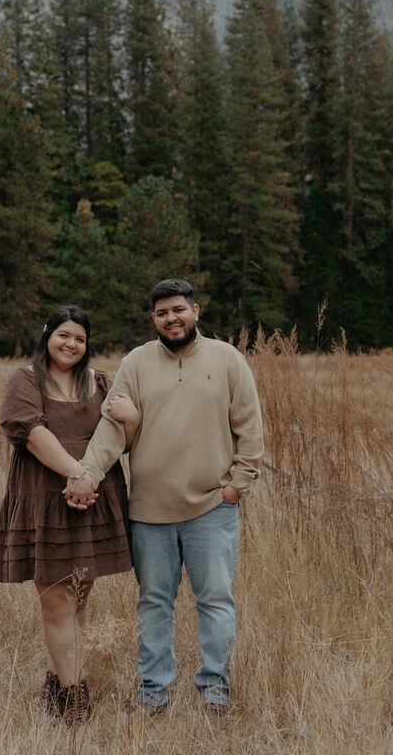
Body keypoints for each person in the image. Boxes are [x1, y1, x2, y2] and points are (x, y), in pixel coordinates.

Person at [64, 278, 263, 715]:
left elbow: (250, 428)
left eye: (179, 309)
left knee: (214, 599)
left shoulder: (227, 360)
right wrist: (87, 475)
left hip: (211, 506)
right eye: (162, 313)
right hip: (150, 512)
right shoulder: (136, 363)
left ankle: (215, 688)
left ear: (196, 311)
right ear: (153, 319)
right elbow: (112, 428)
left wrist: (236, 486)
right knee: (154, 602)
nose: (172, 318)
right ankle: (153, 691)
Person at [0, 305, 139, 724]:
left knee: (77, 598)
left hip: (94, 497)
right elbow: (31, 433)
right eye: (63, 335)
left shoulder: (101, 382)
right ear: (47, 335)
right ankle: (76, 698)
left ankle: (55, 685)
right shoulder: (25, 379)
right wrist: (78, 473)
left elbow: (120, 440)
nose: (71, 344)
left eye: (80, 338)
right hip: (46, 495)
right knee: (57, 603)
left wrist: (133, 421)